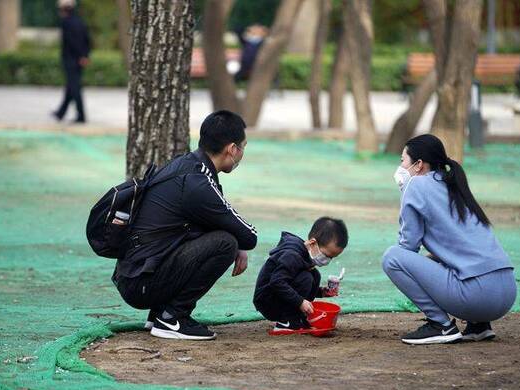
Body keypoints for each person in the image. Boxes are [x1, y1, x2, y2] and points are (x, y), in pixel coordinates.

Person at [113, 111, 257, 340]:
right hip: (140, 282)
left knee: (220, 235)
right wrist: (240, 243)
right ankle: (172, 318)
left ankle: (160, 312)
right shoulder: (198, 181)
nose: (241, 154)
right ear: (231, 149)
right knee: (225, 243)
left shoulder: (186, 164)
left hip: (133, 274)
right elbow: (249, 235)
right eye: (242, 147)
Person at [382, 134, 516, 345]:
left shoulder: (415, 185)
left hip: (476, 296)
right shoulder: (455, 185)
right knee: (438, 258)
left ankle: (441, 326)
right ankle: (479, 325)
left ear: (418, 165)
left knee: (392, 258)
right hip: (507, 293)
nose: (400, 167)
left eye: (402, 161)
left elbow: (408, 246)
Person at [253, 217, 348, 334]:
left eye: (332, 258)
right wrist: (300, 302)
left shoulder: (305, 256)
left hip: (276, 296)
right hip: (267, 301)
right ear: (313, 243)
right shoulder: (291, 255)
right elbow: (277, 282)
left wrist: (321, 292)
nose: (328, 260)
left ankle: (297, 317)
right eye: (327, 255)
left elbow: (293, 283)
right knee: (306, 277)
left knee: (314, 275)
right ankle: (286, 321)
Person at [52, 0, 90, 123]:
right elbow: (87, 40)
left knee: (74, 88)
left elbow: (72, 42)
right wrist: (85, 56)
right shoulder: (80, 22)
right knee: (71, 87)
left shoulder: (66, 23)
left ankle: (81, 116)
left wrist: (80, 56)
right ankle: (60, 113)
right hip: (79, 59)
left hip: (71, 60)